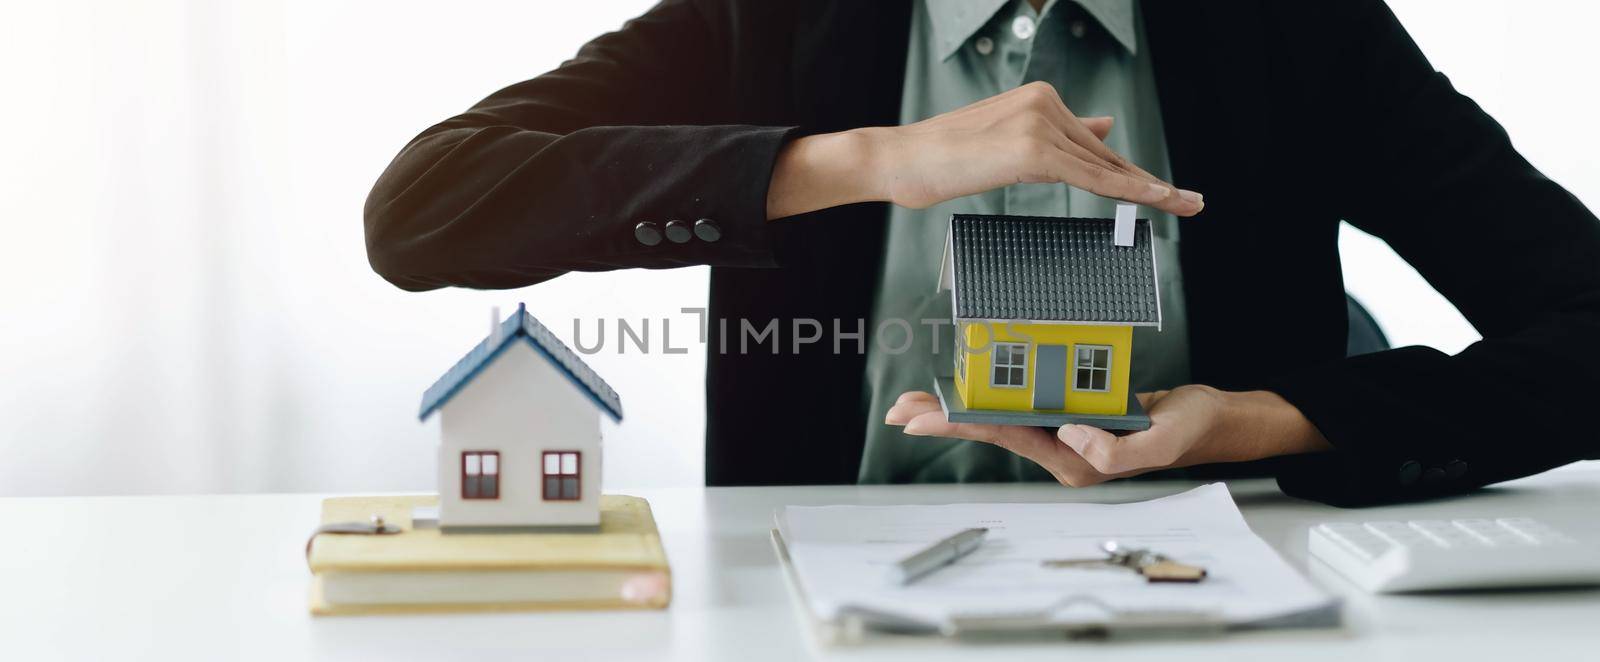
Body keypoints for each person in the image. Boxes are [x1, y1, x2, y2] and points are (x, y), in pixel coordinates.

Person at [363, 0, 1600, 506]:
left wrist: (1272, 418)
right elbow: (422, 210)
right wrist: (861, 161)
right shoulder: (768, 19)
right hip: (820, 601)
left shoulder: (1289, 25)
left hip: (1236, 593)